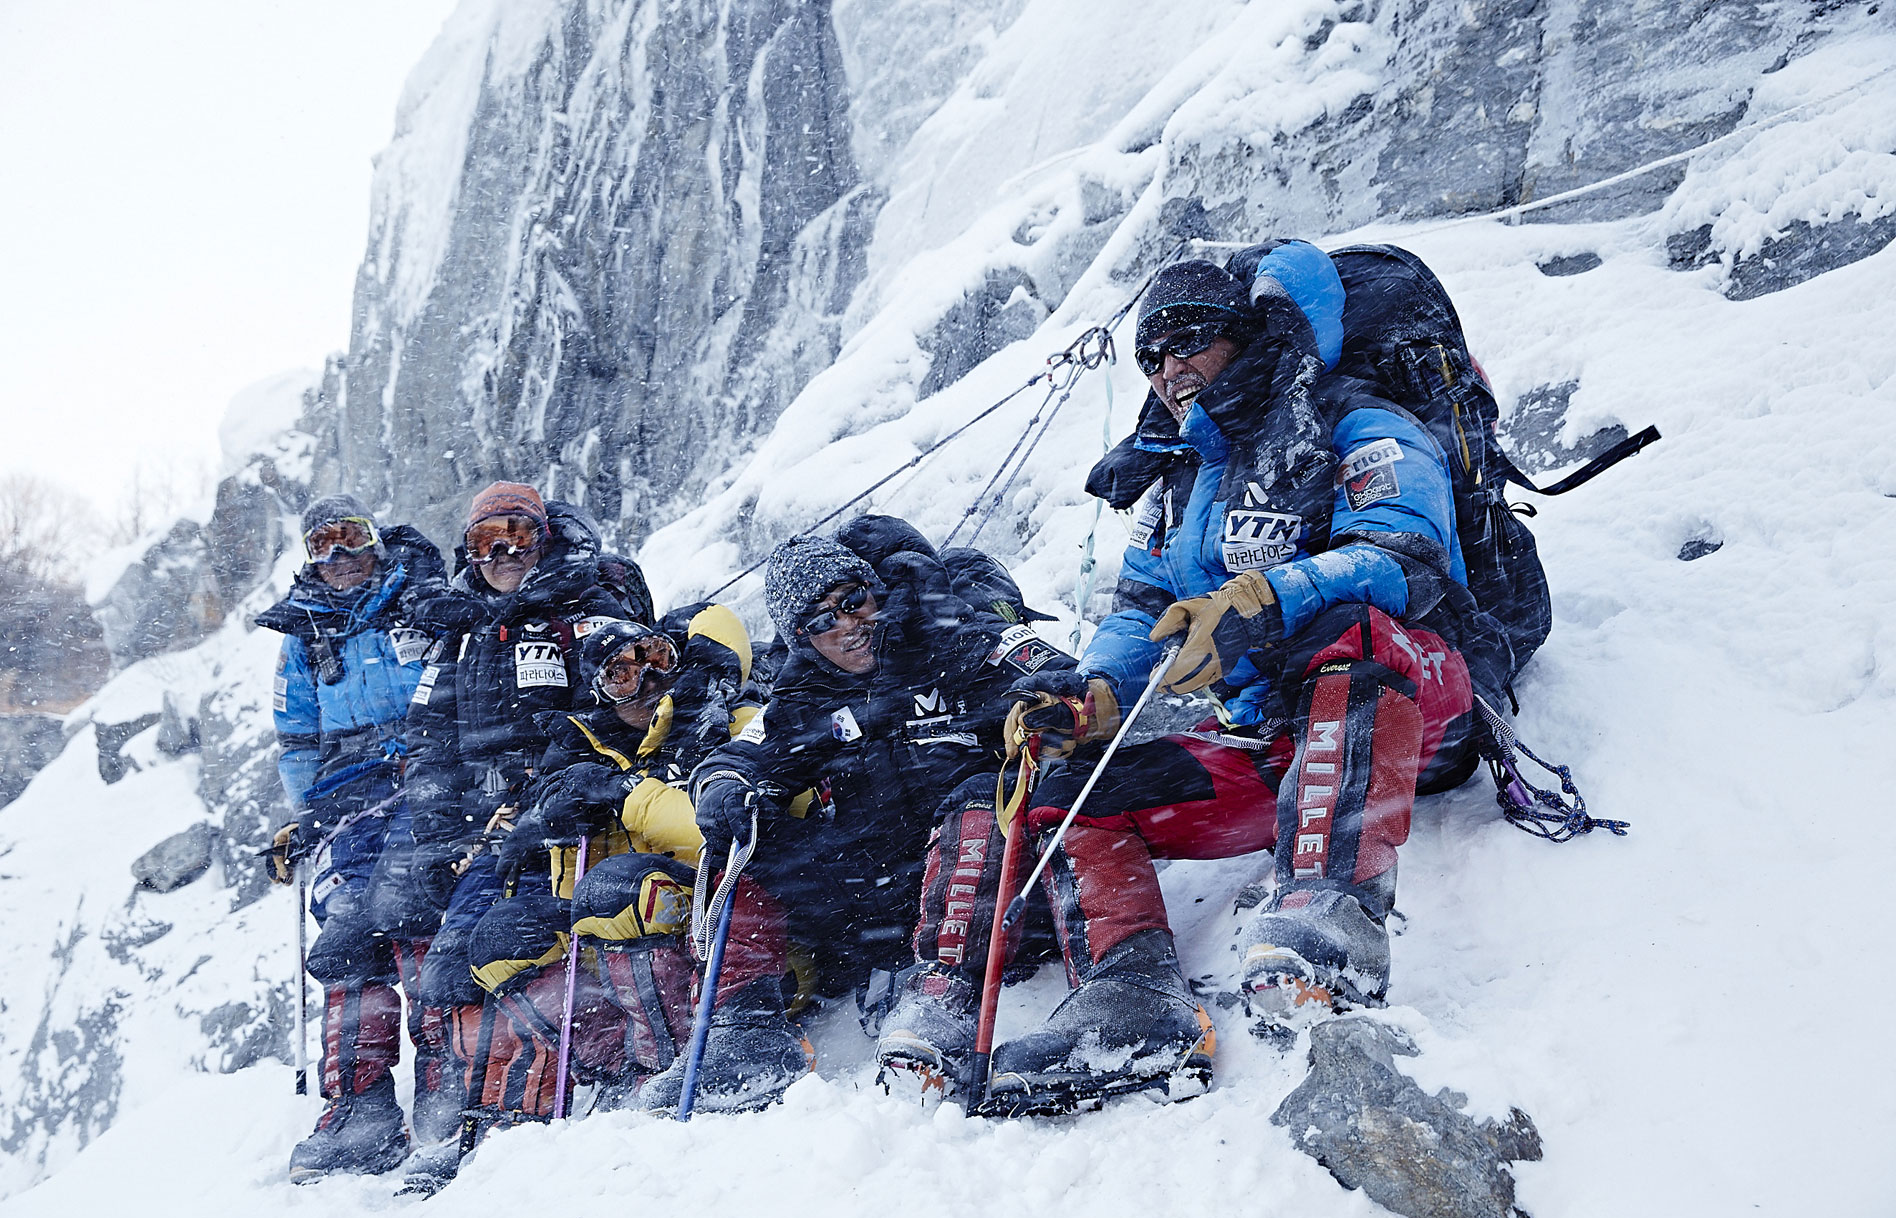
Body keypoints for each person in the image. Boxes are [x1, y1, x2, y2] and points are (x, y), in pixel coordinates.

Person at [890, 242, 1482, 1112]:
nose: (1169, 371)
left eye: (1190, 341)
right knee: (1067, 786)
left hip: (1417, 701)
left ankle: (1329, 913)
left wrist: (1265, 600)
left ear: (1248, 337)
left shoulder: (1358, 424)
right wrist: (1088, 693)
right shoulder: (1179, 480)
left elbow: (1411, 557)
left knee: (1340, 630)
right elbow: (1139, 611)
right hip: (1272, 746)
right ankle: (1132, 1000)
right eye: (1152, 357)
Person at [681, 525, 1076, 1112]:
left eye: (852, 600)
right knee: (742, 839)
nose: (845, 623)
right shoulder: (804, 700)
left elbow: (1055, 679)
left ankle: (943, 1000)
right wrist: (722, 789)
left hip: (1003, 879)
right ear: (800, 639)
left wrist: (1046, 699)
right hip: (880, 894)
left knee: (975, 791)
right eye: (820, 621)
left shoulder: (949, 641)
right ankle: (743, 1035)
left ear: (876, 592)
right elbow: (735, 758)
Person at [399, 482, 651, 1177]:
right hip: (485, 825)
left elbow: (619, 709)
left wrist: (559, 784)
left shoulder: (583, 606)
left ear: (545, 537)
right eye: (487, 540)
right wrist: (435, 831)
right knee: (447, 962)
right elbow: (428, 738)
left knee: (518, 940)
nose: (504, 552)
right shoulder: (461, 629)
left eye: (518, 533)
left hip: (563, 816)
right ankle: (462, 1112)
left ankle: (539, 1100)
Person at [451, 603, 759, 1150]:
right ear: (598, 691)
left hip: (734, 938)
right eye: (621, 673)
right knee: (503, 937)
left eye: (658, 658)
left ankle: (669, 1068)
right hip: (628, 965)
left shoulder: (724, 722)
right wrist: (551, 823)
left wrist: (628, 795)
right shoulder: (581, 757)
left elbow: (722, 832)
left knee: (619, 890)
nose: (649, 679)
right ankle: (610, 1069)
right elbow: (574, 899)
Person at [255, 494, 452, 1181]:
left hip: (428, 772)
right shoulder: (305, 633)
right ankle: (357, 1106)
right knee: (344, 931)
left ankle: (446, 1075)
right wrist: (307, 813)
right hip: (351, 794)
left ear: (376, 539)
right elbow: (296, 733)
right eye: (321, 545)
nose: (338, 557)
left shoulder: (418, 598)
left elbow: (460, 678)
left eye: (350, 538)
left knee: (411, 905)